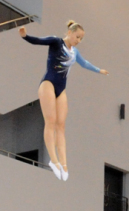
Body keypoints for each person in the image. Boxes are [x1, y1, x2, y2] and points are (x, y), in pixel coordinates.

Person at [20, 20, 109, 181]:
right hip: (48, 84)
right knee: (51, 122)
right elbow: (39, 41)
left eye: (81, 39)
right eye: (77, 37)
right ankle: (53, 161)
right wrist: (25, 36)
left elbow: (84, 64)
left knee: (61, 125)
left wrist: (99, 70)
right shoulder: (56, 42)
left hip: (61, 89)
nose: (78, 41)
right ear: (69, 32)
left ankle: (64, 164)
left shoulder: (74, 52)